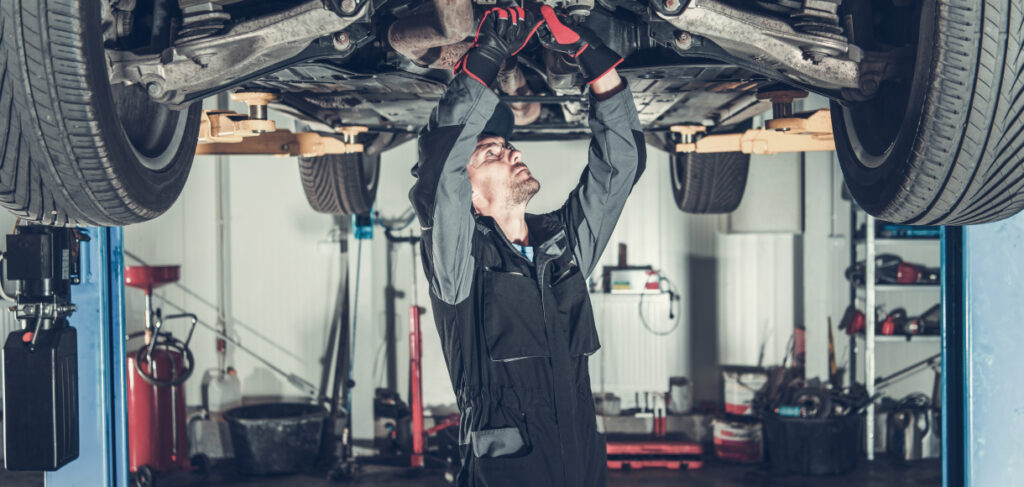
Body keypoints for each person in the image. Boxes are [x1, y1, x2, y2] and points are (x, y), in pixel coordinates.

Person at [409, 6, 645, 486]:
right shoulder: (462, 268)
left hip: (577, 466)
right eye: (491, 153)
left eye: (506, 146)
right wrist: (489, 52)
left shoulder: (562, 249)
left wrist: (591, 58)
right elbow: (439, 174)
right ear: (470, 195)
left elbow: (620, 167)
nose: (512, 151)